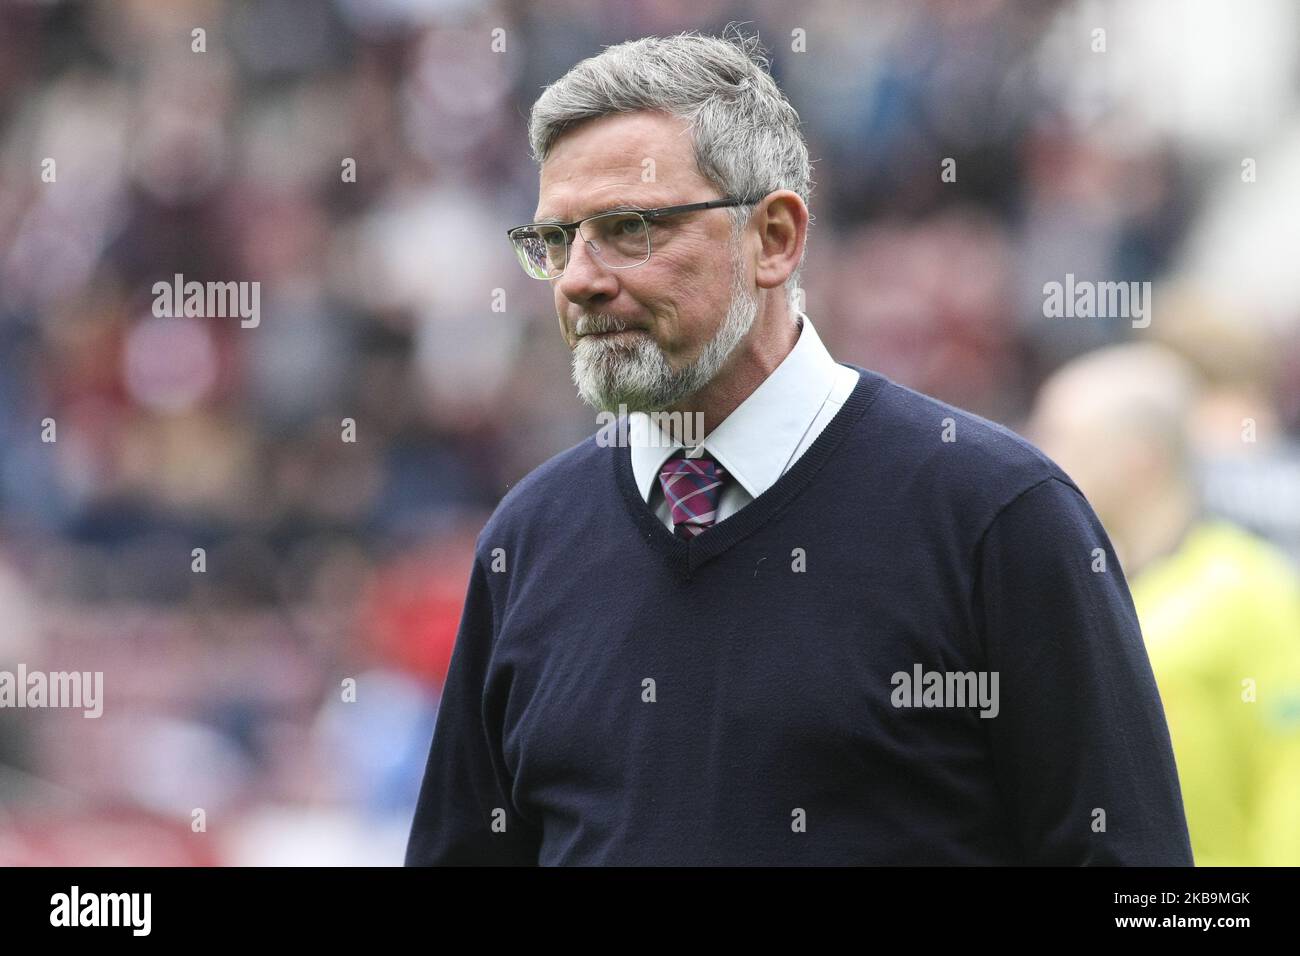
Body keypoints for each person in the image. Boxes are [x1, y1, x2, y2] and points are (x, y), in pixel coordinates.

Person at [405, 30, 1192, 866]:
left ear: (774, 237)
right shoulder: (527, 542)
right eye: (555, 241)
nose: (578, 280)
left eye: (629, 228)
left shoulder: (995, 514)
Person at [1029, 342, 1300, 866]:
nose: (1033, 452)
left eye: (1059, 435)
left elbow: (1289, 774)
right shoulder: (1075, 587)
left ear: (1139, 456)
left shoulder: (1247, 589)